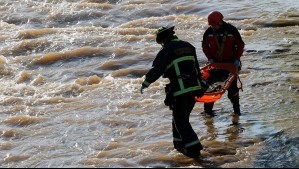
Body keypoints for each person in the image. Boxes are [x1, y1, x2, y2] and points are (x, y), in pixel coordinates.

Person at [140, 26, 204, 158]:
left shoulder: (167, 50)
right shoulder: (189, 46)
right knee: (180, 118)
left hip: (181, 90)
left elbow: (157, 69)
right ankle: (179, 146)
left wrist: (146, 83)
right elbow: (197, 69)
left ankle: (194, 149)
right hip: (194, 88)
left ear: (162, 40)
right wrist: (200, 86)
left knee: (180, 120)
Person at [201, 11, 245, 116]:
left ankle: (237, 112)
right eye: (211, 25)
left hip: (231, 64)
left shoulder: (232, 30)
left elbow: (240, 45)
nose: (213, 27)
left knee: (232, 90)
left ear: (220, 22)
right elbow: (204, 46)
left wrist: (237, 59)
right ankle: (208, 114)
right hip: (215, 65)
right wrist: (210, 59)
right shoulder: (209, 32)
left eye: (214, 25)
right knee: (210, 88)